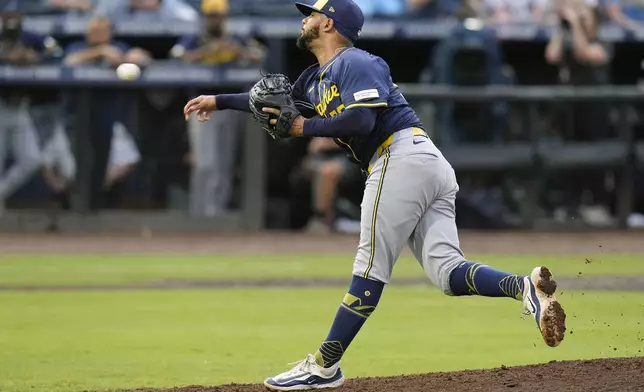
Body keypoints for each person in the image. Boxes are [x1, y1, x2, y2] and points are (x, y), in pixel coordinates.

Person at [183, 0, 567, 390]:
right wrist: (220, 101)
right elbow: (270, 101)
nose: (305, 20)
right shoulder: (314, 79)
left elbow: (362, 119)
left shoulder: (356, 62)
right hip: (422, 162)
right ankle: (524, 288)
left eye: (311, 14)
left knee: (369, 269)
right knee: (448, 273)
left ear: (329, 23)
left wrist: (304, 127)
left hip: (398, 156)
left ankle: (323, 366)